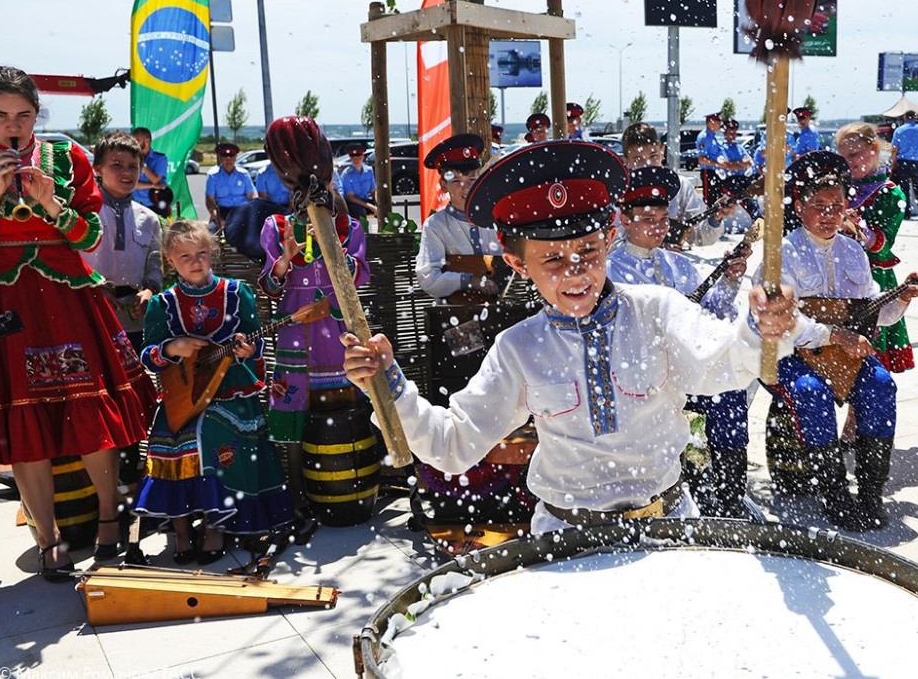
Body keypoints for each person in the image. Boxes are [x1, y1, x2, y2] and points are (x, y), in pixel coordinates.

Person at [342, 141, 802, 535]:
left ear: (608, 239)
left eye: (587, 251)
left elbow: (723, 365)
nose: (576, 272)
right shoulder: (519, 348)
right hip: (565, 538)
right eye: (553, 260)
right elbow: (453, 445)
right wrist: (389, 388)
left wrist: (761, 327)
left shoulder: (657, 310)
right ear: (518, 264)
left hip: (668, 526)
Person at [0, 66, 155, 580]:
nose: (14, 124)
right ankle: (48, 540)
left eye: (24, 114)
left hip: (67, 296)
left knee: (89, 409)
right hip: (4, 303)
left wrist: (50, 201)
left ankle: (111, 521)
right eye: (1, 115)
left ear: (36, 114)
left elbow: (89, 237)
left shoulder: (66, 158)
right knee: (20, 423)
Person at [758, 151, 918, 531]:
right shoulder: (781, 253)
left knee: (882, 385)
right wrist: (832, 334)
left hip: (845, 355)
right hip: (791, 354)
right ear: (800, 205)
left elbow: (876, 314)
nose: (828, 214)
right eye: (818, 205)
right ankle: (834, 494)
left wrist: (903, 295)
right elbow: (779, 319)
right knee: (811, 393)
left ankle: (870, 493)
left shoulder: (855, 252)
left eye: (837, 205)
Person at [134, 220, 295, 564]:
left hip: (232, 391)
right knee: (167, 440)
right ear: (169, 261)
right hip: (182, 397)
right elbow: (148, 355)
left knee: (208, 434)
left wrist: (247, 351)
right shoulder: (162, 304)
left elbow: (257, 339)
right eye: (186, 256)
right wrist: (173, 348)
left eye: (202, 254)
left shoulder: (237, 294)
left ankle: (214, 527)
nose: (196, 261)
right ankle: (180, 531)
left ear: (212, 254)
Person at [606, 166, 753, 516]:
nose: (659, 226)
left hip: (685, 369)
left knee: (730, 393)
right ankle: (686, 490)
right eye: (648, 219)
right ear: (624, 220)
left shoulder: (679, 263)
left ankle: (730, 495)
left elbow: (710, 311)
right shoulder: (611, 271)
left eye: (663, 218)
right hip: (641, 378)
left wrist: (730, 279)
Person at [258, 172, 370, 530]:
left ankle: (351, 483)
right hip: (296, 332)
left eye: (320, 187)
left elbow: (359, 275)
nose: (311, 195)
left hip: (337, 328)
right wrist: (285, 258)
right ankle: (296, 492)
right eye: (302, 189)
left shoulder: (350, 227)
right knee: (293, 409)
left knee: (347, 400)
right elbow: (271, 284)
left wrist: (330, 242)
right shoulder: (275, 227)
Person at [834, 122, 913, 373]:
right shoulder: (838, 189)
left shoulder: (890, 194)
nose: (849, 163)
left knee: (867, 367)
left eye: (854, 155)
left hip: (872, 280)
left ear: (874, 149)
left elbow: (882, 245)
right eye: (843, 158)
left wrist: (856, 228)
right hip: (836, 277)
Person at [83, 131, 164, 351]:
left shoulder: (149, 219)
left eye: (133, 166)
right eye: (116, 165)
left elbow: (155, 266)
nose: (126, 172)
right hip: (90, 317)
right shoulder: (83, 214)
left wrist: (149, 292)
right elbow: (67, 263)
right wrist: (95, 290)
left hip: (133, 323)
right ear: (97, 169)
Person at [415, 133, 503, 301]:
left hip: (499, 308)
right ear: (443, 185)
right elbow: (428, 278)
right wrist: (470, 281)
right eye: (456, 181)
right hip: (454, 313)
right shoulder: (435, 226)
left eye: (471, 179)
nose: (465, 188)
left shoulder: (496, 220)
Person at [621, 122, 724, 247]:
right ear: (626, 161)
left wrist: (715, 219)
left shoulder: (681, 186)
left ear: (662, 151)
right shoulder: (619, 192)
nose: (647, 164)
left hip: (670, 264)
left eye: (653, 156)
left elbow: (698, 236)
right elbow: (611, 243)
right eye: (638, 159)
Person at [204, 142, 256, 231]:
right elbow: (209, 200)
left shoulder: (244, 175)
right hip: (221, 212)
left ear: (236, 158)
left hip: (241, 211)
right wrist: (218, 219)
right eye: (224, 156)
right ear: (220, 158)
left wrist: (248, 215)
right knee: (211, 235)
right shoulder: (213, 175)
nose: (228, 159)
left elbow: (252, 197)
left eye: (231, 156)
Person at [889, 111, 918, 219]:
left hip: (903, 161)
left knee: (904, 188)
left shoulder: (899, 130)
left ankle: (906, 213)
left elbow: (895, 149)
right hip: (916, 162)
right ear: (915, 118)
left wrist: (893, 162)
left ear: (905, 118)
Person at [717, 120, 760, 219]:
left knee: (753, 194)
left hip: (741, 178)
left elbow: (749, 162)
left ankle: (758, 218)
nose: (732, 135)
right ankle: (756, 218)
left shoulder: (739, 147)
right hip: (728, 181)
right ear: (725, 133)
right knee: (743, 197)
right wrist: (741, 164)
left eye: (734, 132)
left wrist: (736, 163)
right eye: (730, 132)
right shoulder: (722, 148)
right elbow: (728, 165)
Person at [131, 127, 169, 210]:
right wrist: (152, 186)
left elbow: (155, 180)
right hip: (136, 206)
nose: (133, 143)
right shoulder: (132, 158)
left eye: (137, 140)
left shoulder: (160, 159)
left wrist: (142, 166)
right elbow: (132, 184)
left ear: (147, 141)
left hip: (156, 205)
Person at [340, 144, 377, 223]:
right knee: (361, 213)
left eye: (358, 157)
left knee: (385, 209)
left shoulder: (369, 171)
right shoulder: (346, 174)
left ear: (363, 157)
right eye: (353, 158)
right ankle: (364, 234)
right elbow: (350, 197)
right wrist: (371, 206)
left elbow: (373, 190)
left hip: (366, 200)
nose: (356, 160)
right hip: (353, 202)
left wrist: (378, 203)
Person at [695, 112, 725, 206]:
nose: (720, 124)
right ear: (711, 122)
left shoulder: (714, 136)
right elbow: (701, 159)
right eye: (718, 121)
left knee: (719, 198)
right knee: (710, 199)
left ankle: (716, 219)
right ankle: (708, 219)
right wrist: (717, 164)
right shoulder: (704, 137)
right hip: (709, 171)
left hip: (718, 172)